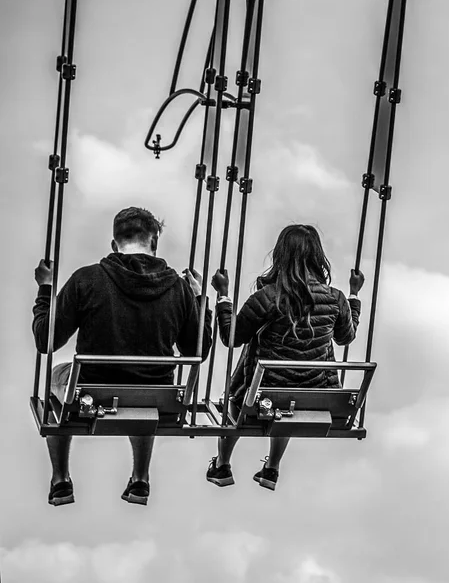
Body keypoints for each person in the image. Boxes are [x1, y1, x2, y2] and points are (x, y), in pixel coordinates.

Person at [33, 207, 212, 506]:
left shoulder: (86, 279)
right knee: (144, 394)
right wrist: (199, 299)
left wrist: (45, 289)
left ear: (114, 244)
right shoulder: (179, 289)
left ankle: (60, 478)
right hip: (157, 393)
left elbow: (45, 340)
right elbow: (198, 350)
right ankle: (140, 477)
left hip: (92, 392)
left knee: (55, 378)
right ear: (154, 241)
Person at [205, 224, 364, 491]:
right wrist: (354, 295)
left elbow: (231, 338)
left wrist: (223, 297)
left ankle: (222, 463)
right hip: (316, 393)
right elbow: (345, 337)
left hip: (263, 394)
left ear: (280, 256)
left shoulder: (267, 298)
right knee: (292, 397)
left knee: (240, 395)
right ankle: (273, 468)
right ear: (317, 258)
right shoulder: (336, 299)